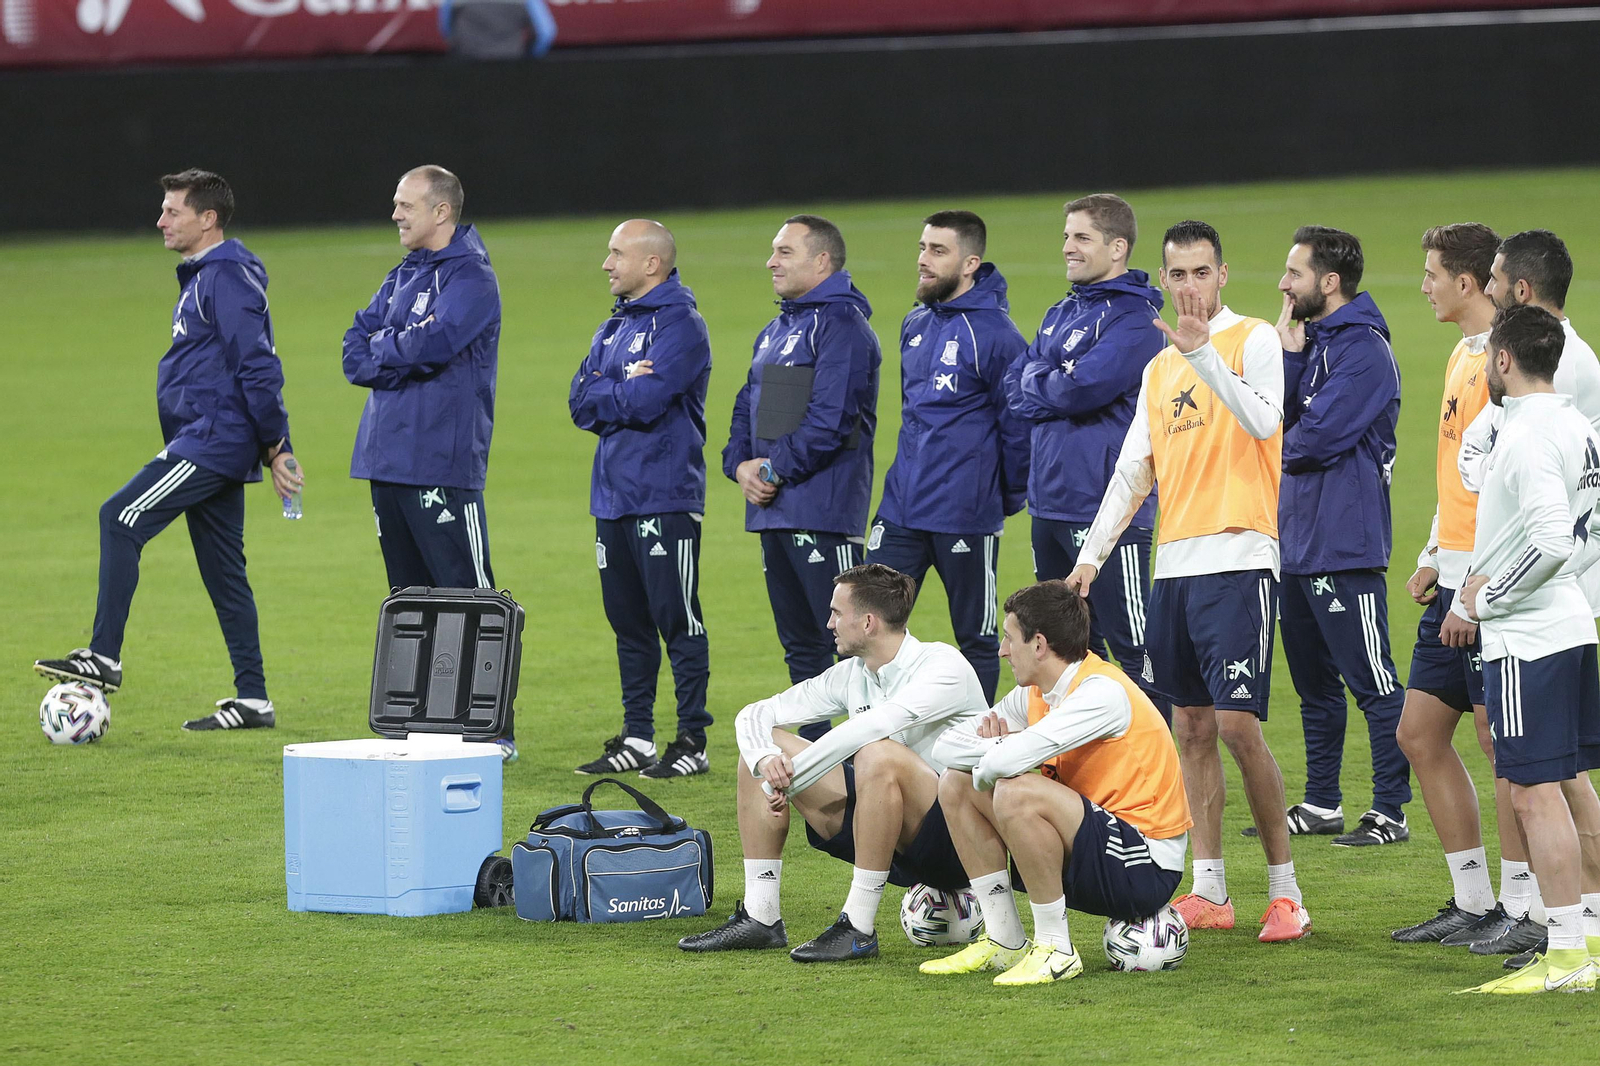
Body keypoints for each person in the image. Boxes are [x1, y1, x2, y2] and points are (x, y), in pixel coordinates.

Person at [1067, 220, 1312, 942]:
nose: (1189, 287)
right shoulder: (1157, 368)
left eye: (1201, 273)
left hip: (1238, 559)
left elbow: (1265, 423)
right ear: (1164, 279)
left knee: (1238, 726)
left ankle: (1285, 891)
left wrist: (1203, 353)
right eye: (1176, 275)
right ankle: (1209, 889)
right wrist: (1093, 553)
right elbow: (1133, 469)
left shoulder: (1253, 340)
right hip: (1172, 562)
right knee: (1192, 728)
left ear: (1222, 275)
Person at [35, 169, 302, 732]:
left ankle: (103, 656)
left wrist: (277, 444)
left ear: (208, 219)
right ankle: (253, 699)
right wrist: (272, 444)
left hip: (213, 438)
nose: (160, 220)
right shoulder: (208, 275)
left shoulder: (225, 275)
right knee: (224, 572)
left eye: (172, 211)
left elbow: (257, 363)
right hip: (212, 436)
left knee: (120, 516)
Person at [677, 564, 986, 961]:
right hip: (893, 833)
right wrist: (765, 761)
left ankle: (858, 928)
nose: (829, 623)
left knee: (878, 752)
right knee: (767, 746)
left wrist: (788, 780)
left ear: (869, 621)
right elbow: (756, 713)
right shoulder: (852, 674)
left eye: (837, 613)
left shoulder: (943, 666)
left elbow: (874, 726)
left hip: (962, 845)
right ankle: (761, 916)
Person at [921, 581, 1191, 985]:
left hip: (1144, 864)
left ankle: (1056, 949)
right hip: (1093, 845)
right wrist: (1001, 746)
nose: (1002, 650)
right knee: (957, 783)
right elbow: (945, 749)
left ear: (1039, 644)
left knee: (1014, 791)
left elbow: (1010, 762)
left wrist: (1003, 749)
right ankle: (1003, 940)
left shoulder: (1101, 693)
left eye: (1009, 638)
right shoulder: (1034, 694)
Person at [1453, 228, 1600, 965]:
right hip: (1572, 628)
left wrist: (1487, 597)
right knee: (1568, 782)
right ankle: (1592, 934)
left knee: (1532, 790)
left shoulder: (1525, 434)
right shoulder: (1577, 425)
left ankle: (1567, 950)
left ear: (1504, 359)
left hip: (1529, 637)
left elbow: (1550, 540)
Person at [341, 165, 512, 759]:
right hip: (386, 459)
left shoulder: (472, 279)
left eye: (405, 204)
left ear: (442, 212)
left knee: (468, 594)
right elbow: (352, 351)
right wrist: (397, 349)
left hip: (441, 461)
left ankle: (493, 726)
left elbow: (436, 345)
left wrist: (389, 348)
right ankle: (427, 719)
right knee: (409, 598)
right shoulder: (401, 275)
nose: (395, 213)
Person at [1392, 223, 1523, 946]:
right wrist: (1431, 552)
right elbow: (1458, 474)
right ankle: (1472, 900)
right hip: (1452, 571)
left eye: (1433, 272)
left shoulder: (1506, 363)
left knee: (1499, 740)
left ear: (1467, 283)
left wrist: (1471, 585)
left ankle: (1525, 904)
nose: (1425, 284)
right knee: (1419, 732)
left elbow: (1507, 488)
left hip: (1486, 583)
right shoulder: (1460, 353)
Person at [1270, 226, 1411, 846]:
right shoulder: (1318, 345)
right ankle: (1322, 800)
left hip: (1344, 544)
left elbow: (1313, 439)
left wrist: (1261, 450)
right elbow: (1285, 416)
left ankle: (1390, 810)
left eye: (1294, 274)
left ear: (1329, 283)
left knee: (1374, 684)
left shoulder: (1364, 352)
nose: (1282, 284)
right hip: (1298, 542)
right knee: (1313, 686)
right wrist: (1293, 358)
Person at [1004, 194, 1168, 716]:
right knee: (1064, 654)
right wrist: (1050, 383)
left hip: (1107, 511)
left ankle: (1160, 775)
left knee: (1134, 652)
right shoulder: (1060, 311)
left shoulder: (1136, 319)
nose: (1067, 248)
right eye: (1066, 236)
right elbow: (1014, 388)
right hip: (1048, 504)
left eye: (1081, 238)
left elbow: (1083, 390)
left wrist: (1044, 383)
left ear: (1117, 248)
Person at [722, 214, 881, 741]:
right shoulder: (779, 328)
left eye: (784, 252)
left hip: (824, 510)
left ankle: (867, 761)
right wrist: (739, 464)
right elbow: (748, 405)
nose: (771, 261)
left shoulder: (842, 326)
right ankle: (818, 758)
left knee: (851, 646)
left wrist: (771, 469)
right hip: (775, 509)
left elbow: (832, 419)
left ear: (821, 261)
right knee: (801, 650)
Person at [568, 220, 713, 779]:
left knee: (678, 619)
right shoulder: (613, 328)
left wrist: (614, 387)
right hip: (612, 498)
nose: (606, 264)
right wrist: (619, 384)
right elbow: (579, 402)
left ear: (651, 264)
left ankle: (693, 739)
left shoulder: (682, 326)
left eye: (616, 253)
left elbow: (651, 400)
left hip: (664, 496)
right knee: (628, 622)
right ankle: (638, 736)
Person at [866, 210, 1029, 703]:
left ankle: (967, 754)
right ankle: (873, 743)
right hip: (900, 508)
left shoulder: (997, 335)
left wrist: (1003, 497)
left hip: (964, 513)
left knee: (977, 637)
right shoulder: (914, 322)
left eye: (938, 251)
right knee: (865, 624)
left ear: (970, 263)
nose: (923, 260)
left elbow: (1017, 426)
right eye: (922, 248)